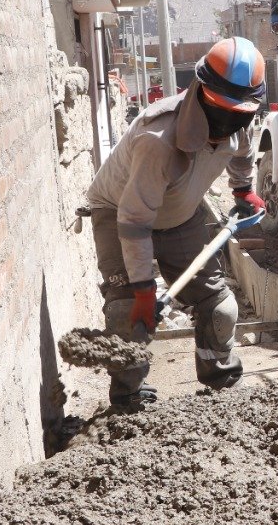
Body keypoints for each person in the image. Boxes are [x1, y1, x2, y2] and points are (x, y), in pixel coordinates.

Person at [86, 37, 268, 408]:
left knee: (219, 307)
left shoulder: (241, 120)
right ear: (200, 90)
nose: (228, 120)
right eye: (221, 107)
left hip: (179, 215)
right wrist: (141, 288)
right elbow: (134, 218)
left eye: (240, 110)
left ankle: (219, 380)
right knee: (129, 314)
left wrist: (242, 189)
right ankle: (128, 395)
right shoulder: (159, 139)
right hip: (120, 213)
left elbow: (243, 151)